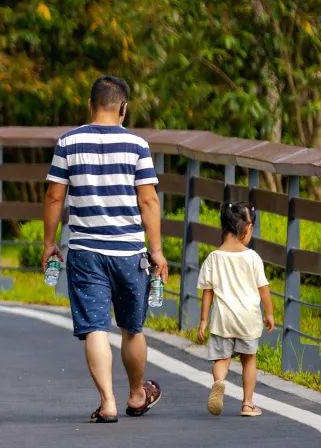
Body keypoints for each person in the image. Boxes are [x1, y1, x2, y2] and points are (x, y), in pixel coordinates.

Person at [41, 75, 167, 422]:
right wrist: (155, 250)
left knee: (96, 328)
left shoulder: (68, 142)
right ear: (123, 108)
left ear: (89, 104)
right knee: (132, 328)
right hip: (128, 252)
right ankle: (138, 394)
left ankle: (108, 402)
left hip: (85, 250)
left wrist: (50, 242)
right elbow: (149, 201)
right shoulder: (137, 146)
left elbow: (55, 195)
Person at [196, 201, 276, 418]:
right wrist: (269, 314)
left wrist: (203, 320)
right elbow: (264, 289)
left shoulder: (214, 257)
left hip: (223, 318)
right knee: (248, 359)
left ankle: (219, 382)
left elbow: (208, 291)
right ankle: (248, 404)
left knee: (221, 359)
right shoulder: (252, 258)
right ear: (247, 229)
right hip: (248, 318)